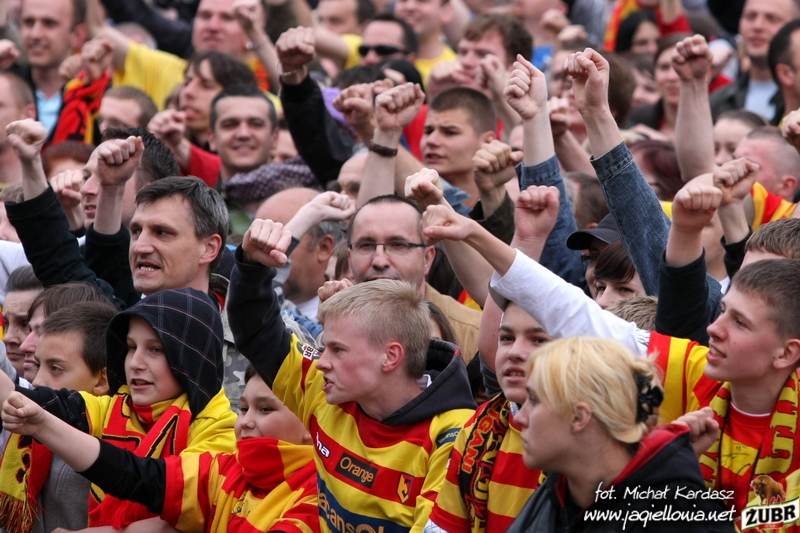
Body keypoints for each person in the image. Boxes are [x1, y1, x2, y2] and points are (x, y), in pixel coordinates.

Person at [227, 218, 476, 533]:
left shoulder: (453, 434)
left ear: (391, 356)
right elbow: (257, 333)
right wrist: (252, 266)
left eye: (338, 350)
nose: (321, 362)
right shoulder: (329, 391)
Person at [0, 288, 237, 531]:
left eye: (155, 349)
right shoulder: (118, 405)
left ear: (191, 357)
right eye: (132, 347)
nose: (135, 363)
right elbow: (52, 403)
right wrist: (37, 418)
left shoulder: (221, 429)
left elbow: (163, 489)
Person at [1, 364, 321, 533]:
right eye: (244, 408)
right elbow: (136, 475)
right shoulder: (224, 469)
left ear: (313, 423)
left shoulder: (322, 496)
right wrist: (41, 425)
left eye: (265, 409)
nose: (245, 422)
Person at [506, 337, 734, 532]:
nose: (520, 418)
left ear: (579, 417)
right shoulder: (556, 495)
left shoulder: (683, 520)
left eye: (534, 400)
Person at [425, 300, 550, 533]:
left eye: (538, 340)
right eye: (507, 338)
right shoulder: (479, 425)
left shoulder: (593, 437)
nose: (514, 352)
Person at [0, 302, 117, 533]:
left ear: (102, 381)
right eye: (39, 365)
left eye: (55, 368)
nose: (37, 382)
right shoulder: (28, 433)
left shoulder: (116, 449)